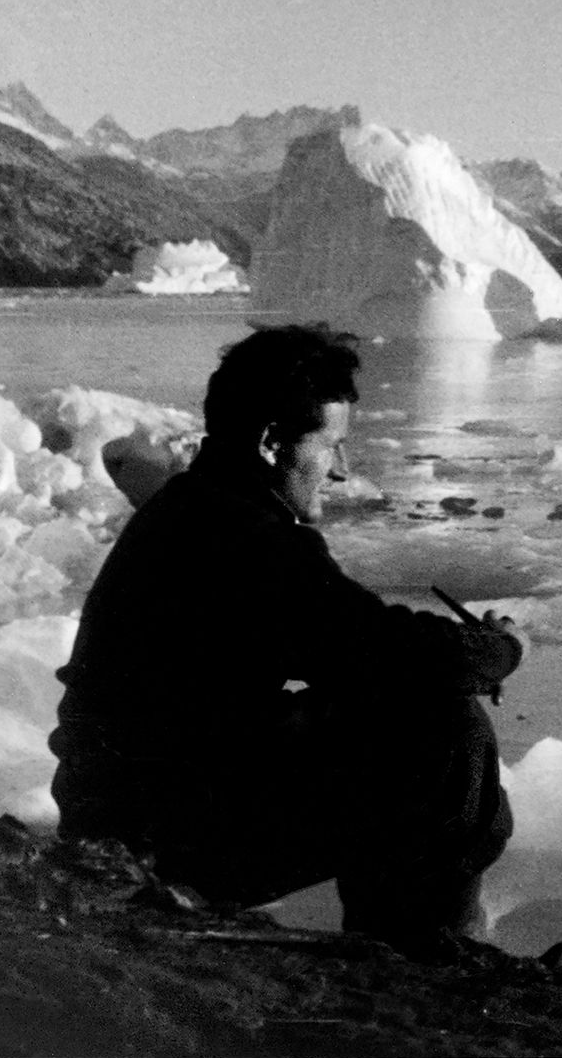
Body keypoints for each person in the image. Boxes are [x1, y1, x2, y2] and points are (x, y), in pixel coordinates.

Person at [48, 322, 522, 951]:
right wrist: (497, 650)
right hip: (155, 835)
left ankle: (418, 939)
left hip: (133, 807)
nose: (343, 471)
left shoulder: (200, 509)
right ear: (273, 441)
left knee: (405, 712)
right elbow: (386, 651)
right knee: (441, 728)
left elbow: (352, 639)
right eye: (332, 447)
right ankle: (419, 953)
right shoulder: (244, 535)